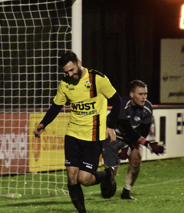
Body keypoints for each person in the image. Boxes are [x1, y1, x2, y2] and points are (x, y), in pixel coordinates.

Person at [33, 51, 122, 213]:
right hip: (73, 136)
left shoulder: (97, 79)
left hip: (93, 137)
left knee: (84, 179)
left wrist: (110, 125)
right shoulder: (65, 83)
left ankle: (106, 175)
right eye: (66, 72)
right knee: (72, 178)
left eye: (72, 70)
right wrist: (43, 124)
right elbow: (56, 106)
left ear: (79, 63)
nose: (70, 74)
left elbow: (117, 100)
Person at [102, 80, 165, 200]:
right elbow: (127, 129)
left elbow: (144, 132)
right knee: (111, 171)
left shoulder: (147, 107)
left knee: (136, 159)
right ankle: (108, 184)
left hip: (130, 139)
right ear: (131, 94)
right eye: (140, 94)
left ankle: (126, 191)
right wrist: (147, 144)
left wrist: (133, 146)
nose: (143, 97)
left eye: (145, 94)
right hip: (113, 137)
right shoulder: (122, 104)